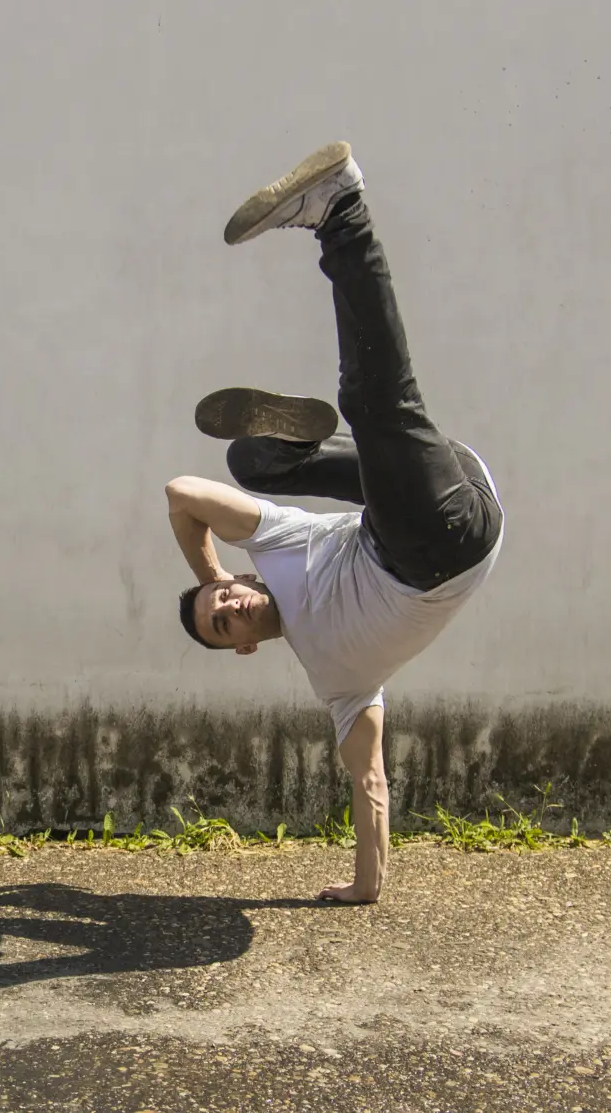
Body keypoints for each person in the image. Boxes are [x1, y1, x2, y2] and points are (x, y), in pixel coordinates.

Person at [163, 142, 504, 904]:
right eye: (223, 626)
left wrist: (210, 576)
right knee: (377, 403)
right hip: (441, 545)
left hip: (437, 479)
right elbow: (370, 779)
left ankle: (301, 440)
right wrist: (365, 885)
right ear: (246, 648)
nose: (228, 609)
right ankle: (341, 211)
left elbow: (181, 491)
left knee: (252, 466)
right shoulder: (337, 680)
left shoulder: (278, 547)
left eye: (222, 603)